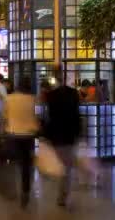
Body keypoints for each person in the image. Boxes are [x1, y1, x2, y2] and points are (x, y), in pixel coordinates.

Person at [43, 72, 82, 207]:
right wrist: (78, 132)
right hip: (69, 135)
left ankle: (61, 193)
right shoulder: (73, 94)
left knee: (61, 165)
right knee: (67, 167)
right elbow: (77, 115)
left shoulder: (51, 96)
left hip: (56, 135)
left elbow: (49, 116)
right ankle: (62, 195)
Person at [4, 77, 39, 208]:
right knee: (26, 165)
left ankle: (13, 190)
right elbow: (35, 117)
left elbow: (5, 115)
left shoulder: (9, 98)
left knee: (14, 162)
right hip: (28, 135)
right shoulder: (32, 99)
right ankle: (25, 191)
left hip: (13, 134)